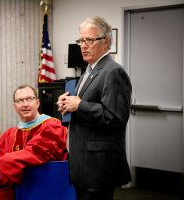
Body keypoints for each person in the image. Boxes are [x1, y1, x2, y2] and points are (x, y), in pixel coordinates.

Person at [57, 16, 132, 200]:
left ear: (106, 41)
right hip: (84, 163)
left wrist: (80, 105)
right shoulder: (88, 71)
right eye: (81, 40)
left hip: (98, 167)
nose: (83, 45)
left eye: (89, 40)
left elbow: (115, 118)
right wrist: (67, 105)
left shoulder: (113, 71)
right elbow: (83, 108)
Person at [0, 84, 68, 200]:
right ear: (14, 106)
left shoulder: (52, 126)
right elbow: (0, 174)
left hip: (40, 187)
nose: (25, 104)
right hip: (12, 187)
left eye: (29, 99)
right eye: (20, 101)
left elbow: (34, 152)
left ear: (38, 103)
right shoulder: (9, 135)